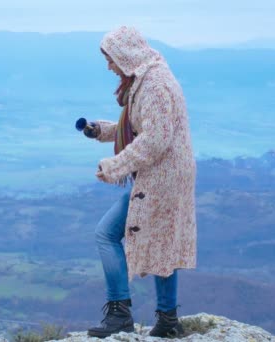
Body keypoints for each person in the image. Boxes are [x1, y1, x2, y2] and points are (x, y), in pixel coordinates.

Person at [81, 26, 197, 338]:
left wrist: (116, 165)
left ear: (125, 54)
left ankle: (119, 313)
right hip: (164, 174)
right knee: (164, 242)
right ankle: (168, 321)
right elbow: (137, 126)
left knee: (106, 234)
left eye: (110, 59)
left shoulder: (155, 85)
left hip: (162, 176)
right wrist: (100, 130)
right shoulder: (145, 79)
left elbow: (155, 140)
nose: (109, 66)